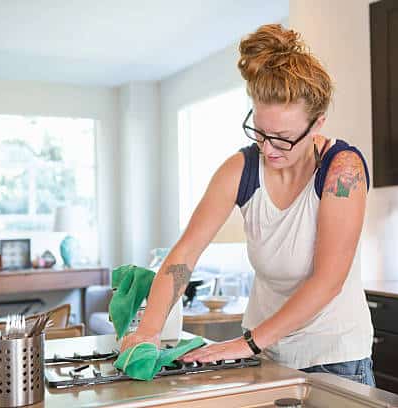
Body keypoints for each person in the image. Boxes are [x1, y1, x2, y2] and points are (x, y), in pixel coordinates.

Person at [121, 23, 375, 386]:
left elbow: (327, 282)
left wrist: (247, 343)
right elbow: (184, 255)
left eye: (283, 139)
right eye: (259, 131)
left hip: (334, 359)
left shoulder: (342, 170)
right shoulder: (239, 171)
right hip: (266, 356)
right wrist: (148, 331)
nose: (268, 149)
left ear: (317, 124)